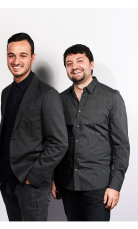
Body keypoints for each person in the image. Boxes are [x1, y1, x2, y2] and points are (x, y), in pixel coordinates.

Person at [0, 33, 68, 222]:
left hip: (31, 184)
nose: (16, 61)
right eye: (11, 55)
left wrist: (34, 176)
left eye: (22, 55)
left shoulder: (47, 94)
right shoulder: (6, 92)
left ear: (32, 57)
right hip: (6, 179)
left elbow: (60, 142)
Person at [52, 44, 130, 222]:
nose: (74, 66)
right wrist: (53, 178)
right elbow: (55, 142)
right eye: (69, 63)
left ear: (91, 64)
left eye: (80, 60)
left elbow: (121, 146)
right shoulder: (59, 99)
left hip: (99, 186)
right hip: (68, 184)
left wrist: (115, 186)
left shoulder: (111, 97)